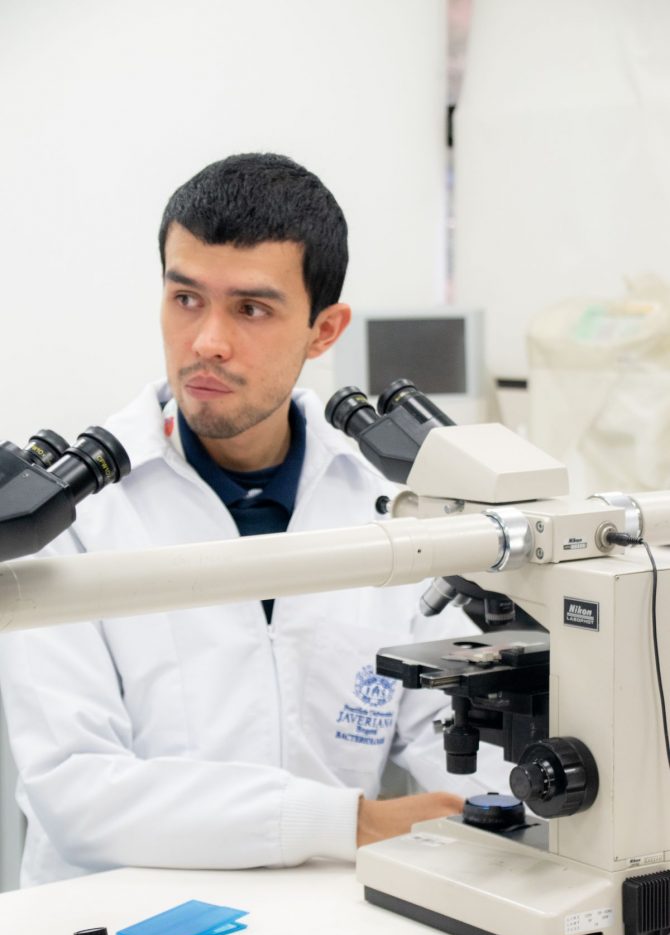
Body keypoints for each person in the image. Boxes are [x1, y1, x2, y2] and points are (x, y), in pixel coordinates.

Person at [0, 153, 507, 886]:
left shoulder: (388, 505)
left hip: (325, 923)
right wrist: (351, 823)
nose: (207, 340)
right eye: (185, 299)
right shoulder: (72, 517)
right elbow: (76, 793)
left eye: (252, 308)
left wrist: (498, 815)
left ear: (324, 331)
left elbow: (455, 731)